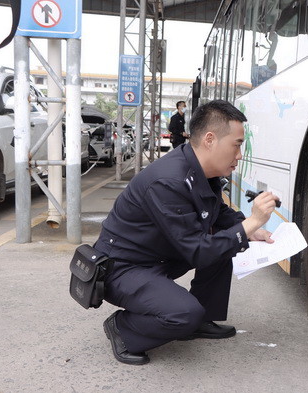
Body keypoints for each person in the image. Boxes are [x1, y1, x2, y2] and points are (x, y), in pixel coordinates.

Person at [94, 100, 279, 365]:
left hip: (156, 256)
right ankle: (124, 328)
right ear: (210, 139)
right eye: (237, 145)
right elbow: (199, 252)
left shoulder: (199, 168)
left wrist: (251, 229)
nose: (240, 155)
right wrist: (249, 224)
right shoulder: (168, 181)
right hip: (122, 268)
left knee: (225, 242)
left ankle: (200, 322)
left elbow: (217, 212)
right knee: (183, 313)